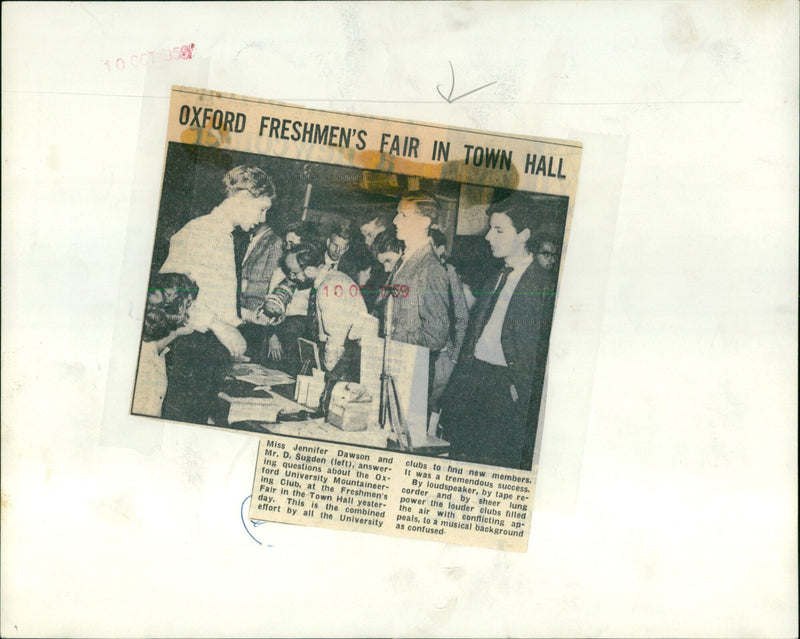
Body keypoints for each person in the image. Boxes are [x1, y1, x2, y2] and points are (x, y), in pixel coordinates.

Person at [439, 199, 557, 470]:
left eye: (499, 230)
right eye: (490, 229)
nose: (489, 237)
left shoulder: (542, 286)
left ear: (524, 236)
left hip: (503, 393)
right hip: (473, 383)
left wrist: (517, 392)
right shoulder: (495, 276)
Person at [158, 165, 275, 424]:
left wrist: (243, 317)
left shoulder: (225, 236)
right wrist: (218, 325)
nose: (263, 218)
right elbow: (167, 297)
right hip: (192, 353)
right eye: (262, 209)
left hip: (208, 356)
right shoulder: (199, 231)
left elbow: (208, 294)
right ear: (243, 197)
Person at [282, 242, 368, 395]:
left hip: (346, 357)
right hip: (349, 353)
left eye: (294, 273)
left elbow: (336, 341)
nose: (292, 277)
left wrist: (326, 377)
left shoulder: (328, 288)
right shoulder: (333, 278)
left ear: (308, 270)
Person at [386, 196, 450, 352]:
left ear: (424, 222)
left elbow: (436, 337)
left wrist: (392, 337)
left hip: (411, 367)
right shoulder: (405, 258)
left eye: (403, 215)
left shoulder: (431, 268)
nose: (395, 221)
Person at [132, 273, 199, 417]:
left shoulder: (157, 351)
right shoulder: (144, 364)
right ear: (176, 313)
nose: (199, 311)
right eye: (192, 306)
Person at [263, 220, 319, 374]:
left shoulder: (313, 274)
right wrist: (272, 337)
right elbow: (269, 309)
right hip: (281, 335)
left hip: (304, 337)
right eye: (286, 244)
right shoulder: (279, 273)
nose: (288, 248)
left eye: (292, 244)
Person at [428, 228, 469, 411]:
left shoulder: (448, 272)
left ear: (440, 249)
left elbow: (461, 316)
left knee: (431, 408)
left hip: (443, 356)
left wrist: (453, 358)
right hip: (419, 354)